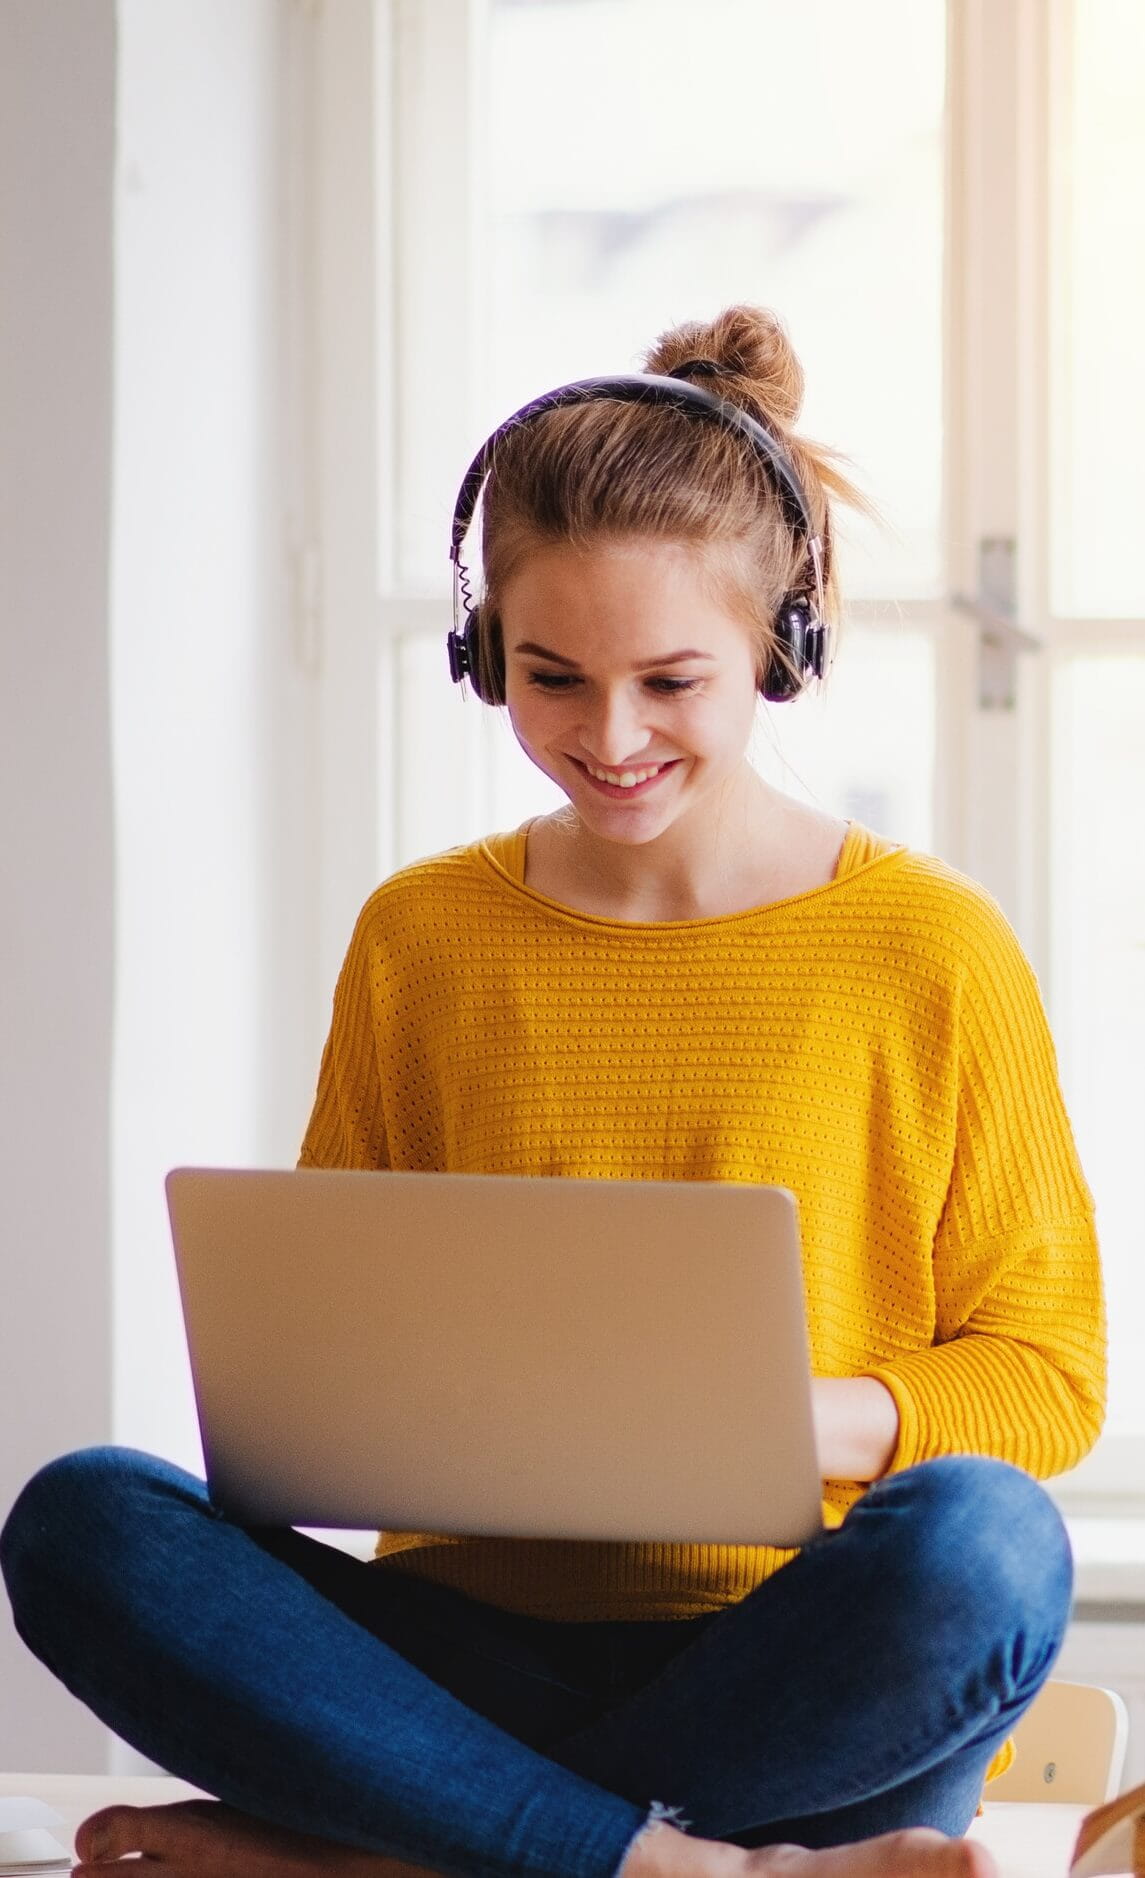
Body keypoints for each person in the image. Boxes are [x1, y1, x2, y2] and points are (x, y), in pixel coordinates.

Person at [2, 306, 1105, 1878]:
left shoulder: (928, 946)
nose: (609, 736)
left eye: (670, 679)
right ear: (481, 652)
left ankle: (400, 1853)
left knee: (985, 1545)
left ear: (782, 641)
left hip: (796, 1669)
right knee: (84, 1523)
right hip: (464, 1660)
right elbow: (321, 1353)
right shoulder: (423, 936)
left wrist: (776, 1426)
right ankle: (670, 1863)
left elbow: (1045, 1374)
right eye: (551, 676)